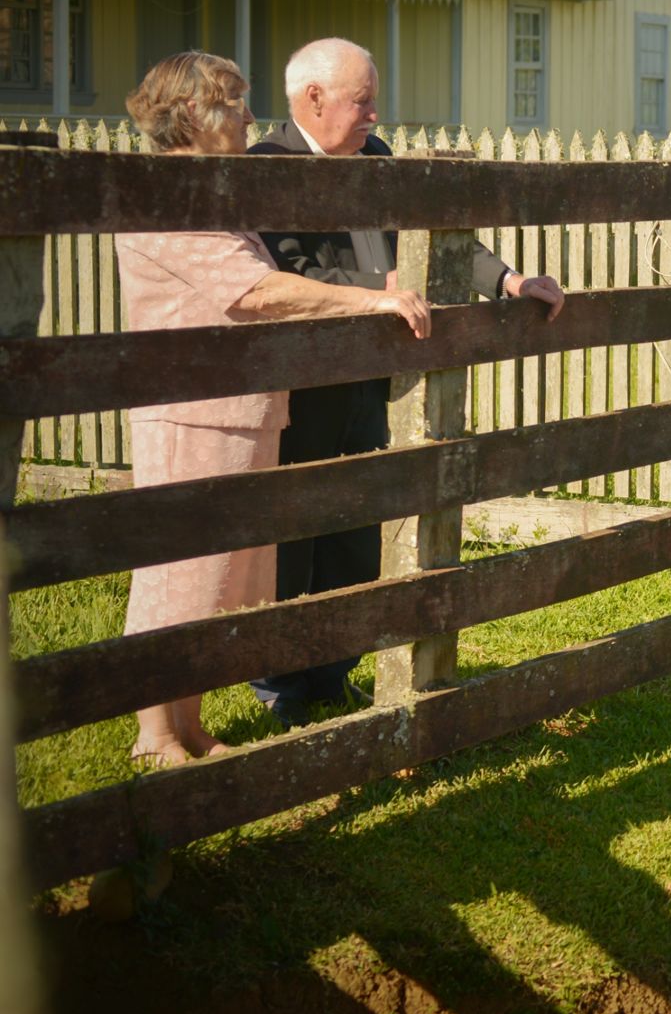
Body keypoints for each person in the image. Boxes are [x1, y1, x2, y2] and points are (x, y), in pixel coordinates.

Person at [115, 51, 430, 768]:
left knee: (213, 579)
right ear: (191, 114)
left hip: (237, 414)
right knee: (176, 579)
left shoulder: (214, 190)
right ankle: (154, 735)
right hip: (189, 416)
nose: (251, 116)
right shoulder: (169, 196)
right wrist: (372, 299)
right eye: (234, 101)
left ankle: (187, 726)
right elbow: (255, 291)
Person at [245, 37, 565, 727]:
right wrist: (380, 289)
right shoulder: (267, 168)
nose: (374, 114)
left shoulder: (380, 161)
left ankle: (332, 673)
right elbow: (286, 277)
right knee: (295, 537)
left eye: (373, 100)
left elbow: (442, 242)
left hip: (370, 381)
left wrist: (511, 280)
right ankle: (283, 689)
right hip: (301, 388)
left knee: (358, 531)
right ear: (313, 99)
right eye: (362, 101)